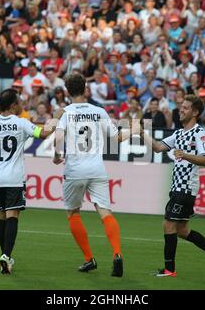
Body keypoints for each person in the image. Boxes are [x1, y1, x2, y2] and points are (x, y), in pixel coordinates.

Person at [0, 88, 64, 275]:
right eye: (18, 102)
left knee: (1, 216)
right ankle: (6, 255)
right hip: (14, 177)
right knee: (13, 216)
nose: (20, 104)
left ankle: (5, 256)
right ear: (12, 105)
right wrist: (56, 116)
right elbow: (44, 134)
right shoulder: (21, 123)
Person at [53, 73, 140, 277]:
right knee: (105, 212)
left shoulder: (66, 112)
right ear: (85, 89)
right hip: (97, 169)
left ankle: (88, 259)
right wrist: (134, 129)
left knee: (73, 213)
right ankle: (117, 253)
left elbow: (58, 135)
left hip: (74, 170)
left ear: (67, 91)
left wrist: (58, 154)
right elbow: (116, 138)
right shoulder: (99, 111)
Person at [141, 95, 205, 277]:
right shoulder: (179, 133)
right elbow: (158, 147)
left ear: (195, 112)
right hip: (177, 187)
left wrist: (185, 155)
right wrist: (141, 132)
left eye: (186, 107)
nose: (181, 110)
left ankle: (169, 270)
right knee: (182, 230)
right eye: (181, 107)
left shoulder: (199, 133)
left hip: (186, 188)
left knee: (168, 224)